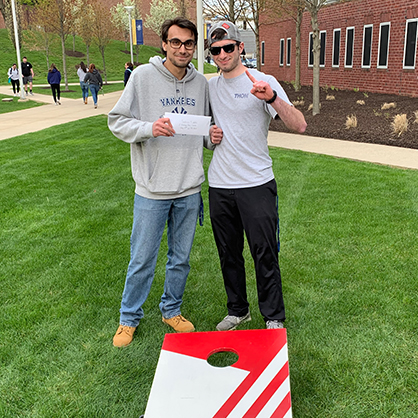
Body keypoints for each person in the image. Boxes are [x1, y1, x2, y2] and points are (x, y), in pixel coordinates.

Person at [108, 17, 219, 348]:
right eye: (175, 42)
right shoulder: (142, 77)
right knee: (142, 258)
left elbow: (205, 131)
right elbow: (117, 121)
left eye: (188, 43)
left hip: (188, 190)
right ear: (164, 44)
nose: (182, 49)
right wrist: (148, 129)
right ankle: (129, 318)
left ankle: (171, 310)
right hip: (151, 191)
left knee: (180, 259)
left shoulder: (201, 84)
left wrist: (213, 138)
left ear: (194, 47)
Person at [207, 21, 307, 331]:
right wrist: (208, 137)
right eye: (216, 50)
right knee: (228, 253)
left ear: (240, 48)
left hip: (257, 184)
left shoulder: (263, 80)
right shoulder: (208, 87)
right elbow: (203, 135)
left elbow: (300, 126)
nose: (222, 54)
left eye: (228, 47)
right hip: (219, 184)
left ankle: (273, 317)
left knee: (264, 252)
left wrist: (272, 97)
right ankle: (238, 310)